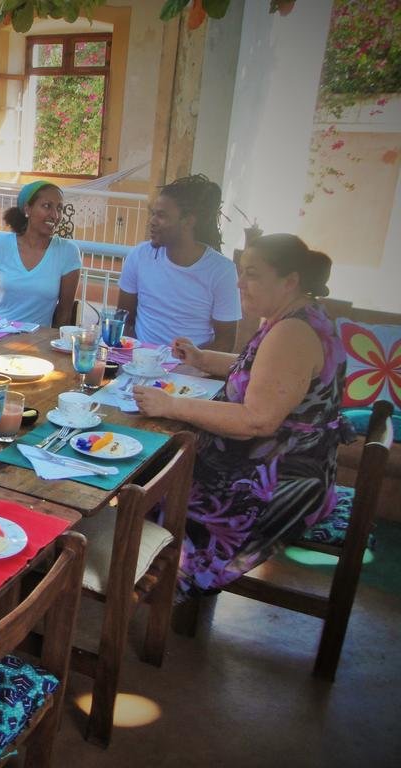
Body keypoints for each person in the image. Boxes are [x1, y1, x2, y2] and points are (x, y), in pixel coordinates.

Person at [133, 234, 351, 600]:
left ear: (290, 281)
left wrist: (170, 405)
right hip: (287, 465)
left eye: (252, 274)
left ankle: (145, 579)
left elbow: (256, 420)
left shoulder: (293, 332)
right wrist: (203, 359)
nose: (239, 284)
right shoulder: (297, 316)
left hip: (276, 483)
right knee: (157, 466)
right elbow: (263, 371)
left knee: (151, 483)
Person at [117, 174, 240, 351]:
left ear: (188, 222)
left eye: (161, 215)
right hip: (138, 361)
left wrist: (188, 363)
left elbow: (225, 342)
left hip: (192, 366)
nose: (152, 221)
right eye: (153, 214)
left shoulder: (222, 271)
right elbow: (124, 320)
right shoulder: (139, 255)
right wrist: (135, 356)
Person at [0, 181, 81, 328]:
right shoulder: (0, 245)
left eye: (59, 208)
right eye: (47, 206)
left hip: (38, 339)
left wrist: (53, 342)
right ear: (27, 209)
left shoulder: (68, 252)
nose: (55, 215)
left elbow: (64, 314)